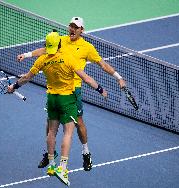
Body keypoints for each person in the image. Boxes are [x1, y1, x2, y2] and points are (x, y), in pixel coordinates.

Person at [17, 17, 126, 171]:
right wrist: (27, 55)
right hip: (57, 88)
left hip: (74, 90)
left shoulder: (87, 47)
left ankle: (86, 152)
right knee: (49, 123)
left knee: (78, 123)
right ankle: (51, 153)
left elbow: (102, 64)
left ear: (82, 30)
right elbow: (46, 50)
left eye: (76, 27)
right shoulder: (61, 40)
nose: (73, 29)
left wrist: (119, 78)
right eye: (71, 26)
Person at [9, 31, 107, 185]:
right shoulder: (69, 58)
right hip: (67, 100)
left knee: (51, 131)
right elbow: (86, 78)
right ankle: (62, 168)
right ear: (60, 44)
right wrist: (100, 89)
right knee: (68, 132)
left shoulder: (41, 60)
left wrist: (14, 86)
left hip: (51, 99)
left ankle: (51, 165)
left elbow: (27, 77)